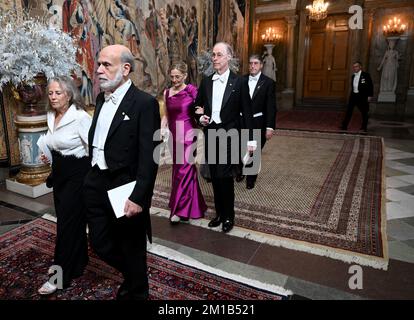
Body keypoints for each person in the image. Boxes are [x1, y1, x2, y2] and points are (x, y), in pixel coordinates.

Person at [83, 45, 160, 300]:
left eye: (107, 65)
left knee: (131, 246)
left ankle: (137, 289)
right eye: (99, 64)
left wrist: (139, 197)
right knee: (99, 242)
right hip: (96, 181)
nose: (99, 70)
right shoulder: (100, 98)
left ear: (126, 69)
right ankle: (134, 275)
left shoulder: (144, 103)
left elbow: (150, 157)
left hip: (124, 186)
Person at [37, 76, 91, 295]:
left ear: (69, 95)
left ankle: (59, 277)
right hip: (59, 174)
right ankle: (77, 263)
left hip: (78, 176)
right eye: (50, 93)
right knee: (70, 223)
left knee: (66, 228)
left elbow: (93, 149)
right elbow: (54, 141)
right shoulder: (51, 115)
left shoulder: (80, 117)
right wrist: (48, 154)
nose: (53, 97)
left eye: (58, 93)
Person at [193, 42, 254, 233]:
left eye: (219, 55)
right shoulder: (206, 81)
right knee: (215, 176)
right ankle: (219, 214)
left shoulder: (240, 82)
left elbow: (248, 113)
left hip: (230, 135)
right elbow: (197, 106)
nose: (215, 58)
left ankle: (229, 216)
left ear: (229, 57)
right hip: (211, 133)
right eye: (213, 55)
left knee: (226, 177)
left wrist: (251, 141)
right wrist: (200, 117)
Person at [161, 62, 207, 224]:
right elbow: (166, 114)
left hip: (188, 134)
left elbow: (200, 108)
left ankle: (179, 210)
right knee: (179, 168)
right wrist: (162, 129)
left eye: (178, 77)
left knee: (184, 168)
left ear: (185, 76)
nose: (174, 80)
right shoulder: (167, 93)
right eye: (172, 76)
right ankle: (193, 205)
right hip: (174, 135)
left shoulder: (192, 91)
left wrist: (202, 114)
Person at [236, 54, 277, 189]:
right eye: (250, 63)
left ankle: (251, 179)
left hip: (258, 122)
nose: (252, 66)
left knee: (254, 150)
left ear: (261, 65)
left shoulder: (268, 83)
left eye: (255, 63)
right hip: (241, 121)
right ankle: (240, 170)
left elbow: (271, 106)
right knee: (241, 148)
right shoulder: (240, 80)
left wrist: (270, 127)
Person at [341, 61, 373, 133]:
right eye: (354, 67)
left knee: (364, 112)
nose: (355, 68)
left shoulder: (366, 75)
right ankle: (344, 126)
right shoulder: (353, 76)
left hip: (362, 96)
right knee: (349, 111)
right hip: (353, 96)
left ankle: (364, 127)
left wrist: (370, 95)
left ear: (360, 67)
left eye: (356, 66)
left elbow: (370, 86)